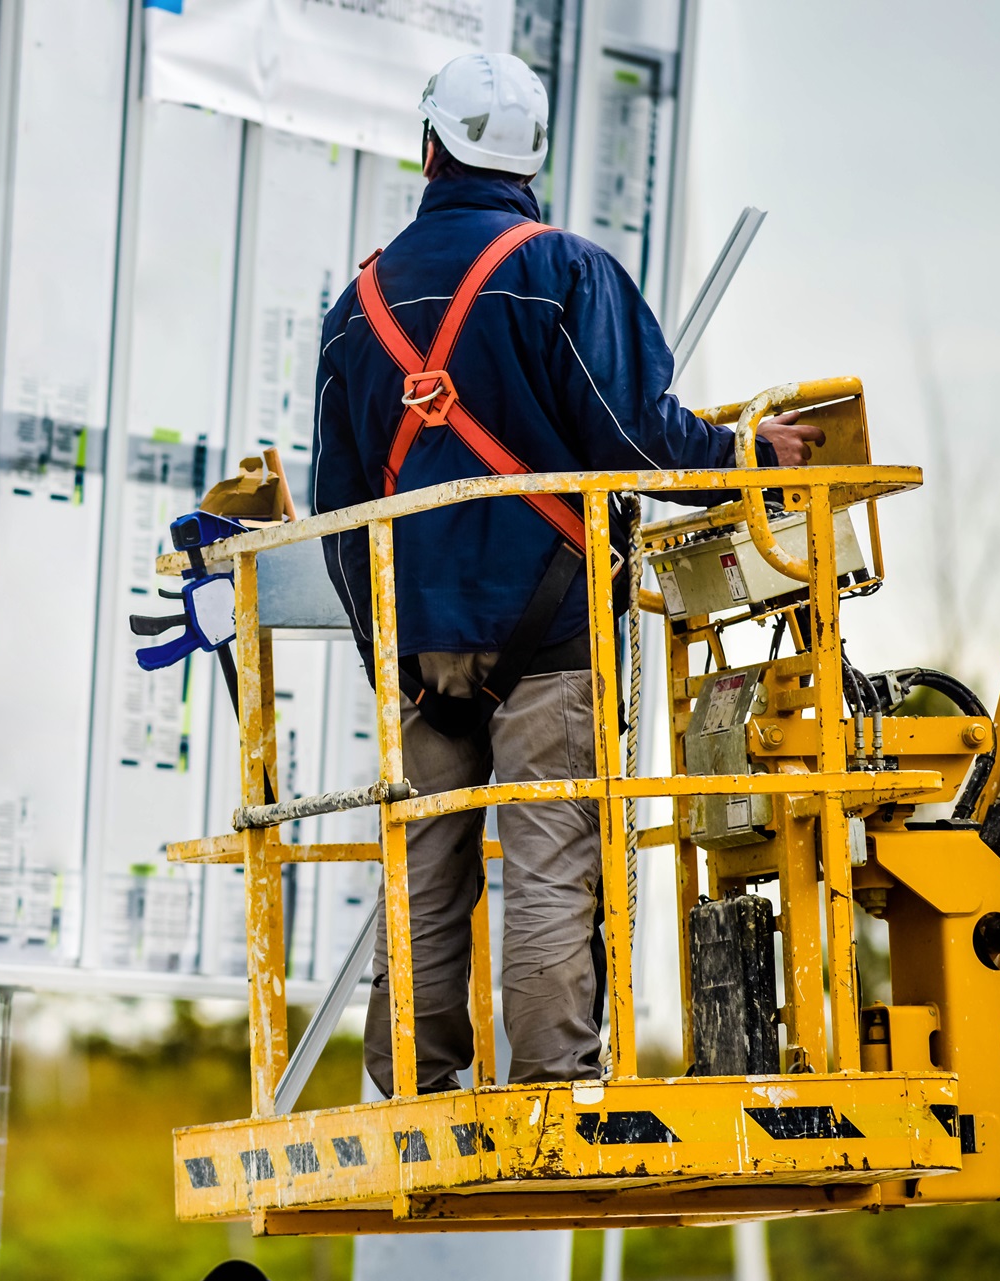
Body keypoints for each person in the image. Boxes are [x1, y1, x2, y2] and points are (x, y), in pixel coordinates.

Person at [310, 50, 822, 1096]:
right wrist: (750, 460)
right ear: (533, 159)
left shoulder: (355, 307)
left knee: (422, 875)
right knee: (549, 866)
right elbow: (637, 439)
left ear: (428, 147)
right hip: (548, 635)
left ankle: (413, 1087)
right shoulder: (562, 273)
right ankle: (552, 1091)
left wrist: (388, 652)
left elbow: (335, 508)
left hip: (416, 650)